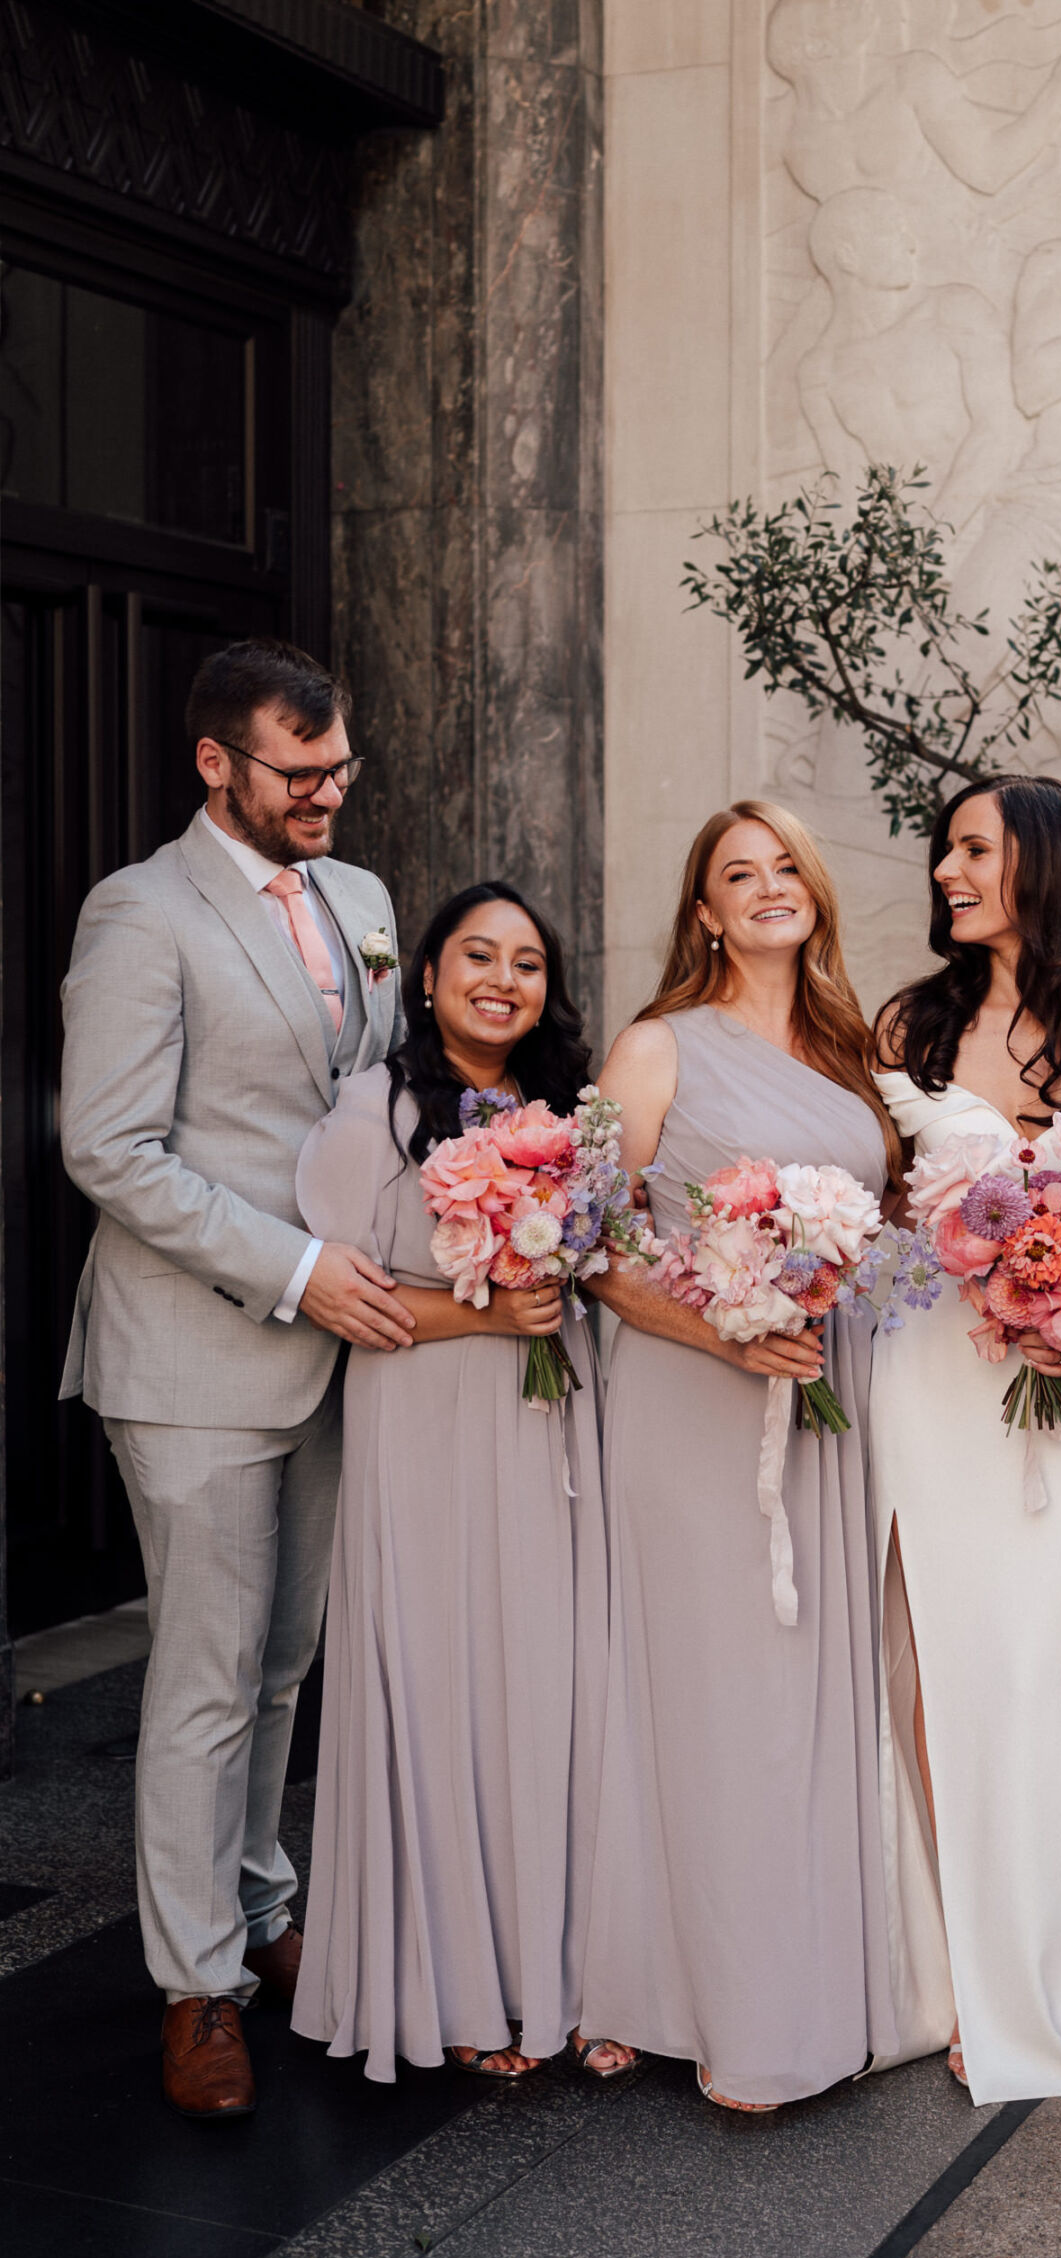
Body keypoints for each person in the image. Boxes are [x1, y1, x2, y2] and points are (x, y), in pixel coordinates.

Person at [59, 639, 411, 2119]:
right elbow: (109, 1147)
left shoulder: (365, 901)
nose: (331, 792)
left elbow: (372, 1096)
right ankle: (193, 1984)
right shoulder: (138, 914)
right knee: (204, 1679)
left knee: (284, 1664)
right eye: (302, 770)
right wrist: (291, 1266)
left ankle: (262, 1909)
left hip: (345, 1348)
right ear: (217, 764)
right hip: (198, 1350)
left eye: (342, 765)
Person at [576, 802, 900, 2110]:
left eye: (785, 870)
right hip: (693, 1401)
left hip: (828, 1397)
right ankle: (716, 2008)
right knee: (718, 1697)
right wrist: (726, 1324)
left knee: (808, 1699)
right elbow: (586, 1242)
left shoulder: (850, 1050)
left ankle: (798, 1982)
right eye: (736, 875)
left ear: (813, 894)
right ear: (703, 911)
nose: (767, 889)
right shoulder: (655, 1048)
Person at [870, 774, 1061, 2101]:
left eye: (975, 850)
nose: (948, 870)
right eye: (946, 850)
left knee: (1041, 1659)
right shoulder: (906, 1021)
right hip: (931, 1372)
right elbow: (881, 1207)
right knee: (934, 1658)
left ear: (1041, 865)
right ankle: (953, 1970)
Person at [291, 885, 609, 2083]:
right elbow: (344, 1296)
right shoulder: (373, 1109)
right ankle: (452, 1990)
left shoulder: (569, 1113)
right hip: (424, 1426)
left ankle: (555, 1973)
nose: (504, 978)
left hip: (548, 1427)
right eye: (478, 954)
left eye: (528, 962)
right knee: (442, 1687)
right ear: (424, 974)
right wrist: (483, 1316)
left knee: (546, 1687)